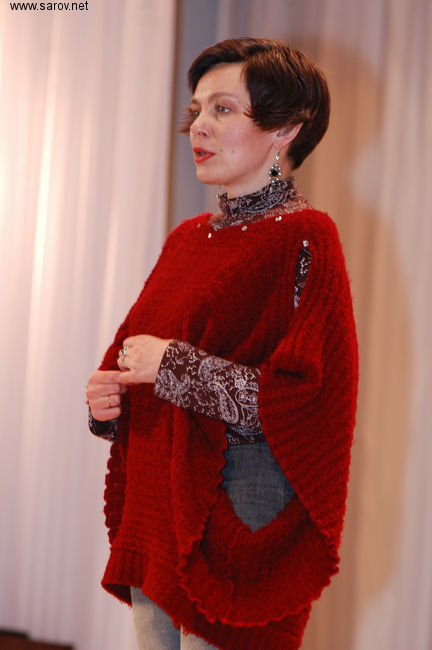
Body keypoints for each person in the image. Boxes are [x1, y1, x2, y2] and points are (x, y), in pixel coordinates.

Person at [86, 37, 358, 650]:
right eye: (197, 111)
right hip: (159, 507)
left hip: (240, 507)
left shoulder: (307, 237)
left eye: (224, 109)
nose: (199, 127)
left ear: (286, 128)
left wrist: (173, 366)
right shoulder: (186, 239)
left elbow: (307, 401)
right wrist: (108, 399)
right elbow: (133, 358)